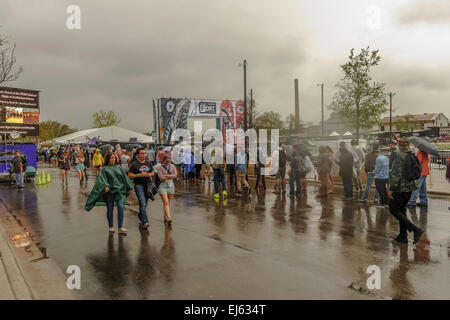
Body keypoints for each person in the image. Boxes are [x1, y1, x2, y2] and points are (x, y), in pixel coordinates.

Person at [85, 152, 133, 234]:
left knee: (121, 207)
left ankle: (120, 227)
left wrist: (129, 186)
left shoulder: (119, 167)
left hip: (118, 191)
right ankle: (111, 226)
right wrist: (105, 186)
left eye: (115, 157)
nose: (113, 159)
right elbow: (101, 179)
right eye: (111, 157)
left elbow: (124, 178)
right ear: (108, 159)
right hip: (109, 191)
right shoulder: (105, 168)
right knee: (110, 209)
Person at [388, 138, 424, 244]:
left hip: (400, 188)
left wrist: (391, 189)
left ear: (399, 145)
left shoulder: (398, 156)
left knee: (393, 210)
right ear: (408, 146)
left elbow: (395, 174)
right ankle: (403, 236)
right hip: (409, 187)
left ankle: (415, 229)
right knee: (402, 210)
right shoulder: (411, 154)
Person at [128, 147, 155, 229]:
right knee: (142, 203)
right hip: (138, 185)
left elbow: (153, 172)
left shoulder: (148, 163)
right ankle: (145, 221)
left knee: (144, 204)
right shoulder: (134, 164)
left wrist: (150, 174)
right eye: (142, 153)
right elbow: (130, 175)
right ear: (137, 155)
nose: (144, 155)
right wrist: (139, 175)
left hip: (147, 185)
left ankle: (141, 216)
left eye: (145, 153)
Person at [157, 154, 177, 226]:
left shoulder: (172, 166)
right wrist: (170, 175)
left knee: (168, 202)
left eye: (169, 161)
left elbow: (175, 175)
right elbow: (161, 178)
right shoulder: (159, 167)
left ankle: (165, 216)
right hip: (162, 186)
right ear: (163, 160)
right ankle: (169, 218)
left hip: (171, 186)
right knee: (166, 202)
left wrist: (166, 175)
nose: (168, 162)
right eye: (167, 161)